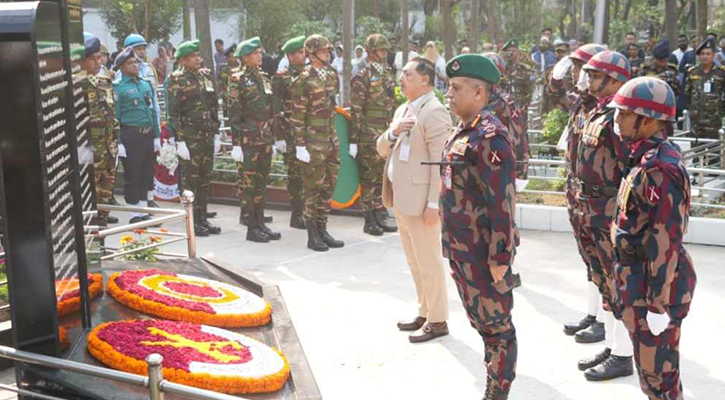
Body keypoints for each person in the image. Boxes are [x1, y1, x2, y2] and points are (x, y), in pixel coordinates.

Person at [609, 76, 696, 400]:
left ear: (648, 120)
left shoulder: (662, 168)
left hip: (655, 289)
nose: (617, 120)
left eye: (624, 115)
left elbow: (666, 240)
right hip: (639, 283)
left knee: (660, 380)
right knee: (651, 376)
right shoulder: (643, 158)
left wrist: (658, 304)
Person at [442, 54, 520, 400]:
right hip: (461, 248)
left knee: (497, 328)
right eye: (448, 86)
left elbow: (502, 205)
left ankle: (498, 391)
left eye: (456, 88)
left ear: (478, 93)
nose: (448, 93)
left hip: (482, 252)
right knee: (482, 323)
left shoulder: (490, 138)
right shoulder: (463, 131)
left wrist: (500, 257)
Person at [376, 57, 452, 343]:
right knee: (415, 261)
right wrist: (394, 132)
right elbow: (382, 148)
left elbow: (439, 163)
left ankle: (438, 319)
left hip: (422, 204)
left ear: (425, 79)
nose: (401, 78)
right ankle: (425, 311)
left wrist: (434, 204)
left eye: (407, 74)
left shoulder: (434, 112)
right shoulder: (404, 109)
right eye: (401, 73)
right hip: (402, 199)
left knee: (429, 262)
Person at [576, 50, 634, 381]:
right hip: (593, 209)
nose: (589, 81)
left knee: (618, 284)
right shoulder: (601, 111)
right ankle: (613, 346)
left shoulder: (620, 117)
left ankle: (624, 355)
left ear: (614, 80)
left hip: (610, 210)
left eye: (596, 76)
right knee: (603, 280)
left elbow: (629, 167)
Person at [561, 44, 607, 343]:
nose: (576, 74)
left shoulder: (606, 108)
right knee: (589, 260)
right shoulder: (582, 103)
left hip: (598, 199)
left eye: (582, 68)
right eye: (576, 68)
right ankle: (593, 313)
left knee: (603, 263)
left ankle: (605, 320)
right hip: (578, 193)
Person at [290, 35, 343, 252]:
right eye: (323, 51)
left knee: (328, 186)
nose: (327, 54)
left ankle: (323, 228)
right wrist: (300, 145)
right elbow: (297, 115)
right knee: (312, 188)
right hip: (312, 142)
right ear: (311, 54)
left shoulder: (331, 74)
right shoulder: (302, 79)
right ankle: (312, 233)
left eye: (328, 50)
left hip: (330, 139)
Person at [226, 37, 281, 243]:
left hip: (264, 138)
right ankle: (251, 227)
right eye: (257, 52)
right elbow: (234, 113)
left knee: (261, 183)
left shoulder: (264, 78)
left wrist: (272, 139)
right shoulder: (237, 79)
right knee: (248, 185)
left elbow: (270, 111)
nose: (260, 55)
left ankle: (260, 223)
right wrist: (236, 144)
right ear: (246, 57)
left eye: (260, 52)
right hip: (248, 141)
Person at [166, 40, 222, 236]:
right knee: (191, 180)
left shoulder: (206, 76)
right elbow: (173, 114)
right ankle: (191, 222)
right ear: (182, 59)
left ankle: (203, 218)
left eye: (198, 55)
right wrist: (179, 140)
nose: (198, 59)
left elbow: (214, 106)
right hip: (190, 138)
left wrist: (216, 133)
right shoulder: (176, 79)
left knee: (205, 179)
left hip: (206, 135)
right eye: (193, 56)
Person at [350, 34, 398, 236]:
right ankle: (369, 218)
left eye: (386, 50)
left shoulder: (386, 72)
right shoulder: (362, 74)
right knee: (369, 177)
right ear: (370, 52)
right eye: (381, 50)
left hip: (385, 131)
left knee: (381, 175)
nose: (384, 53)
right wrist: (354, 139)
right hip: (368, 133)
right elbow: (356, 108)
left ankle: (380, 213)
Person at [113, 47, 161, 224]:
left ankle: (143, 211)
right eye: (130, 63)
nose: (135, 65)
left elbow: (153, 112)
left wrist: (156, 137)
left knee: (146, 174)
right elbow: (115, 117)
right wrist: (119, 143)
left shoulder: (145, 84)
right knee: (133, 175)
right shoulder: (118, 88)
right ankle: (134, 214)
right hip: (130, 135)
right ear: (121, 68)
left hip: (147, 134)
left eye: (135, 62)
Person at [272, 36, 307, 230]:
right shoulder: (282, 77)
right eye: (299, 53)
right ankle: (297, 214)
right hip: (290, 132)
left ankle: (307, 211)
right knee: (295, 175)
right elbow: (276, 108)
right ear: (290, 56)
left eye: (303, 52)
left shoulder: (309, 74)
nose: (303, 55)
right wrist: (278, 137)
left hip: (308, 132)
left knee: (308, 174)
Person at [83, 34, 119, 226]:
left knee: (104, 204)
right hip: (88, 156)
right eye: (93, 58)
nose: (99, 62)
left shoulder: (104, 80)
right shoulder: (74, 84)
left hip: (108, 153)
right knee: (89, 206)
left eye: (99, 57)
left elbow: (111, 115)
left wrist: (116, 142)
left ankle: (102, 246)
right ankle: (92, 250)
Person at [483, 52, 529, 184]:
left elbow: (518, 139)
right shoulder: (471, 98)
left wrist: (520, 173)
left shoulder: (506, 103)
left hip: (499, 170)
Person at [684, 38, 725, 142]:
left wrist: (720, 111)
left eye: (708, 54)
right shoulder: (692, 72)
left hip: (714, 121)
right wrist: (693, 110)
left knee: (714, 154)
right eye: (702, 54)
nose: (705, 57)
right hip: (696, 121)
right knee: (696, 153)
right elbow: (687, 94)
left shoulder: (721, 73)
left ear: (714, 55)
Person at [501, 39, 534, 123]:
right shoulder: (500, 69)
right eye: (509, 51)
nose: (511, 53)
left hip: (520, 106)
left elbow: (529, 90)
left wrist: (524, 105)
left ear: (518, 53)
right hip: (503, 107)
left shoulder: (525, 69)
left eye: (513, 51)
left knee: (521, 131)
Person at [217, 43, 238, 118]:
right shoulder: (223, 70)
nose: (232, 59)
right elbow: (221, 86)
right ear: (226, 58)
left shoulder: (242, 70)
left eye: (234, 56)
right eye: (230, 57)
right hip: (227, 103)